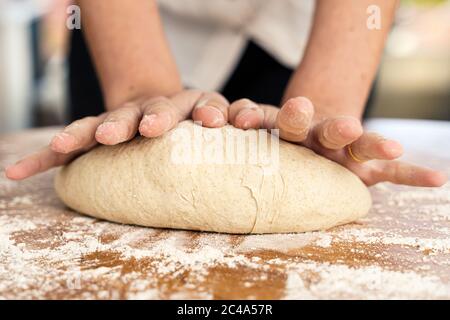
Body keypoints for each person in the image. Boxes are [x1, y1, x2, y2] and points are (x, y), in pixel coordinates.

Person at [5, 0, 447, 187]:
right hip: (132, 24)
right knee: (120, 150)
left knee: (318, 154)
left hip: (311, 29)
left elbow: (320, 120)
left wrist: (329, 99)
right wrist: (140, 88)